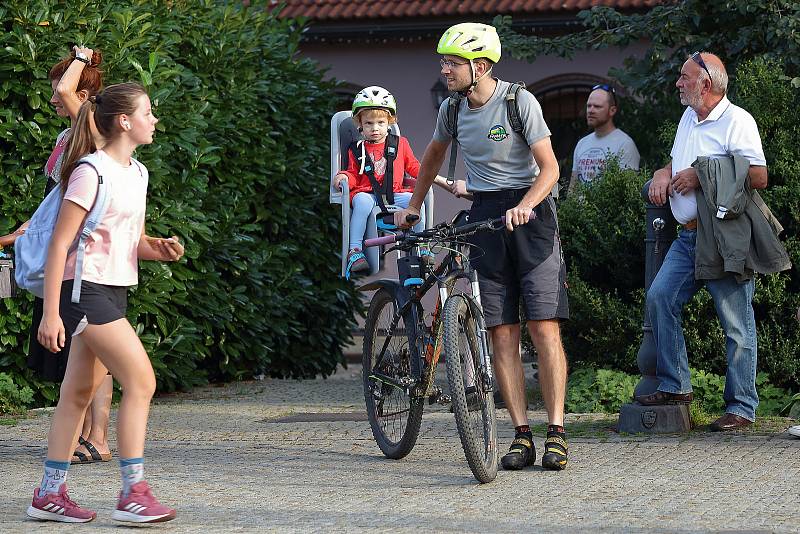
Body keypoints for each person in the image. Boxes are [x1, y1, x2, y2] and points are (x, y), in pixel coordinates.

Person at [394, 22, 570, 471]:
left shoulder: (518, 101)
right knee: (501, 332)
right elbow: (433, 154)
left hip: (531, 216)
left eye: (452, 63)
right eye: (444, 62)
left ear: (481, 66)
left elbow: (549, 168)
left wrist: (527, 204)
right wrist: (414, 205)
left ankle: (556, 432)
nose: (445, 69)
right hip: (487, 215)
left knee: (543, 327)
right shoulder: (451, 110)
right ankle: (521, 435)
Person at [26, 82, 183, 524]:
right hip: (84, 292)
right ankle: (134, 492)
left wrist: (158, 247)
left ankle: (49, 494)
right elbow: (60, 245)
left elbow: (129, 242)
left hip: (112, 288)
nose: (154, 120)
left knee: (76, 393)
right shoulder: (88, 171)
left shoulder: (137, 173)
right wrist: (52, 313)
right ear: (124, 121)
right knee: (142, 381)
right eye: (148, 113)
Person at [636, 52, 784, 431]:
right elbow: (674, 164)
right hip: (687, 237)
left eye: (684, 77)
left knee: (736, 324)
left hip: (722, 236)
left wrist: (702, 175)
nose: (678, 83)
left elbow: (760, 176)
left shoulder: (738, 120)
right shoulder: (688, 117)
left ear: (706, 84)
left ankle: (742, 407)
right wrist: (660, 173)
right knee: (660, 297)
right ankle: (676, 386)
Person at [3, 45, 114, 464]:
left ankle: (95, 436)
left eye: (58, 93)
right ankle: (90, 436)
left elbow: (69, 88)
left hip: (83, 251)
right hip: (63, 247)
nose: (53, 99)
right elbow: (56, 198)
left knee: (92, 346)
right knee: (85, 347)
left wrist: (81, 58)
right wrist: (28, 231)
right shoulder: (66, 136)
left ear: (84, 99)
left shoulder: (94, 130)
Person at [333, 86, 425, 277]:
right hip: (368, 194)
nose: (375, 128)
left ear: (390, 122)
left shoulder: (401, 144)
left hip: (395, 194)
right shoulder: (356, 149)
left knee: (416, 200)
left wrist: (430, 176)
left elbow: (414, 167)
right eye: (369, 123)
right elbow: (353, 173)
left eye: (381, 122)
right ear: (360, 124)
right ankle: (355, 251)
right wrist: (344, 177)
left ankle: (421, 244)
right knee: (361, 202)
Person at [568, 84, 640, 192]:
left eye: (597, 106)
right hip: (579, 209)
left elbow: (628, 192)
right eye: (589, 106)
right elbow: (573, 188)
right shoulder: (582, 143)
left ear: (612, 110)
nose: (590, 110)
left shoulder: (625, 144)